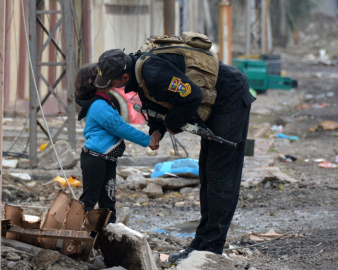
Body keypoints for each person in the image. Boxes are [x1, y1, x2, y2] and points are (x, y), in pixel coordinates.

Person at [93, 34, 255, 261]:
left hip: (229, 97)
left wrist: (171, 124)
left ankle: (211, 249)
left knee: (220, 175)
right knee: (207, 174)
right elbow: (154, 101)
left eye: (112, 83)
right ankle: (200, 245)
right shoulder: (139, 73)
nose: (111, 88)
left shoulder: (151, 72)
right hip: (218, 100)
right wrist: (156, 130)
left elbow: (191, 95)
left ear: (124, 76)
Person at [75, 62, 158, 224]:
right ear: (93, 82)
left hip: (106, 159)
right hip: (95, 160)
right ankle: (74, 231)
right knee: (89, 200)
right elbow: (119, 127)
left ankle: (108, 234)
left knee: (108, 201)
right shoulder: (98, 105)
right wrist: (147, 140)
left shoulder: (104, 102)